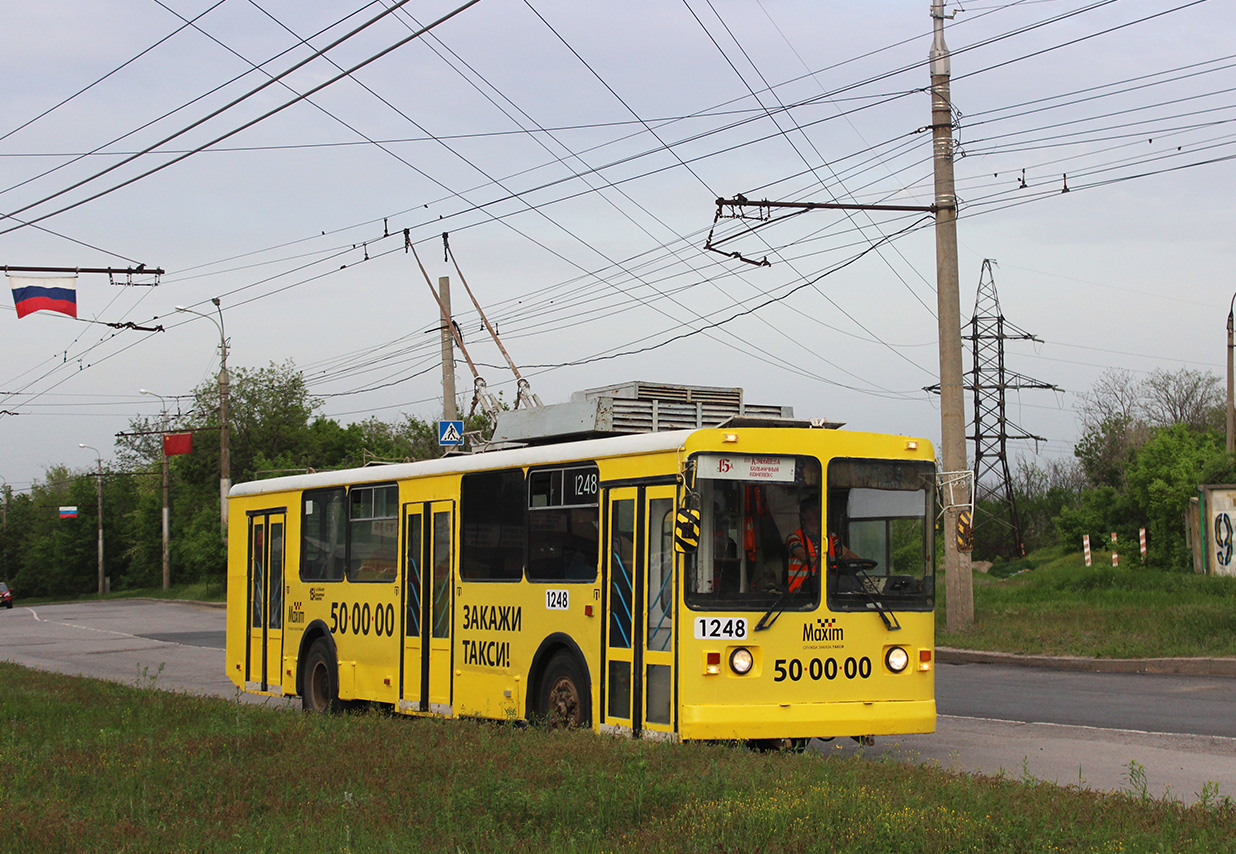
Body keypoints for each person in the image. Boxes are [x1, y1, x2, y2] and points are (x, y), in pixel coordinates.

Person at [785, 497, 821, 592]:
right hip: (799, 593)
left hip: (828, 592)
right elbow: (803, 557)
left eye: (819, 509)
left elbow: (846, 553)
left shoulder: (830, 536)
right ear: (804, 515)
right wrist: (826, 561)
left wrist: (863, 563)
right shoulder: (793, 538)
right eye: (813, 510)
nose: (817, 513)